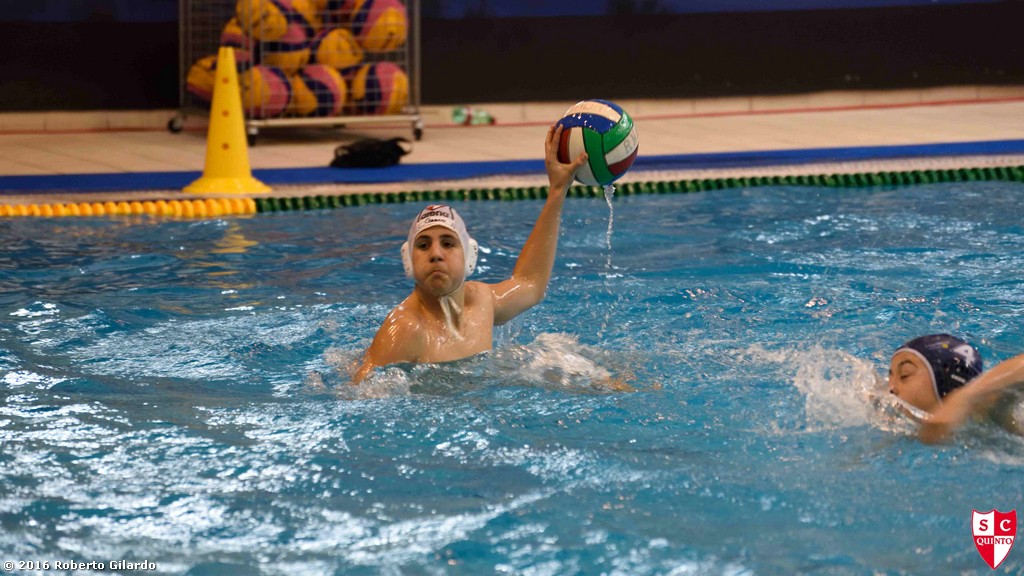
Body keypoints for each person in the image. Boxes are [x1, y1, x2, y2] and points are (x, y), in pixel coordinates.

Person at [352, 124, 588, 384]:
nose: (436, 254)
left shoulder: (482, 302)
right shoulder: (405, 330)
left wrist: (557, 190)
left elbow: (531, 284)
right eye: (423, 245)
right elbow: (359, 394)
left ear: (469, 256)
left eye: (448, 243)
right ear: (408, 260)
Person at [887, 333, 1024, 443]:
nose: (891, 388)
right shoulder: (897, 424)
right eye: (891, 375)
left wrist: (963, 398)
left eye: (905, 375)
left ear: (946, 382)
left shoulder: (985, 413)